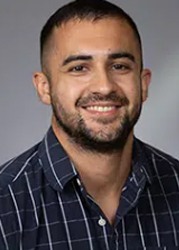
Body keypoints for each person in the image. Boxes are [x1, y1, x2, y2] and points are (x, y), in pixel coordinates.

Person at [0, 0, 179, 249]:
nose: (104, 86)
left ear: (144, 83)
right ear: (45, 88)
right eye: (79, 68)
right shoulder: (5, 204)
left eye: (119, 66)